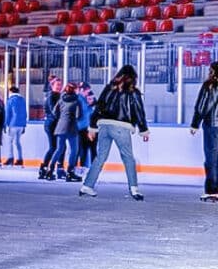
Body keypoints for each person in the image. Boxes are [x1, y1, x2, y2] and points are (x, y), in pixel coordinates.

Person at [79, 65, 150, 200]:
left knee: (100, 157)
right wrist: (144, 131)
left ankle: (87, 186)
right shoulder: (133, 92)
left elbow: (98, 108)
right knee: (128, 158)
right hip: (120, 126)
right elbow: (139, 112)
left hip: (104, 126)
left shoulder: (108, 88)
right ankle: (134, 188)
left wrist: (93, 128)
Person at [189, 61, 218, 201]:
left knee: (212, 158)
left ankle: (213, 190)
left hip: (213, 125)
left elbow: (202, 105)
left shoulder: (210, 85)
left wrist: (195, 123)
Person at [47, 83, 82, 182]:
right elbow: (79, 115)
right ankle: (70, 172)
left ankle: (50, 169)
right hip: (71, 127)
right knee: (74, 150)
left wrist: (62, 118)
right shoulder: (76, 100)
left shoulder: (61, 99)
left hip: (60, 127)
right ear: (74, 90)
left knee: (59, 149)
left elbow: (54, 112)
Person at [37, 76, 62, 179]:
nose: (59, 87)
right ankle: (44, 167)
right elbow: (54, 111)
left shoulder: (59, 95)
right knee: (53, 147)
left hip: (57, 124)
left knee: (58, 147)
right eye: (57, 85)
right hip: (51, 124)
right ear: (52, 86)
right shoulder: (51, 96)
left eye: (60, 85)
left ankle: (54, 168)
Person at [3, 86, 27, 167]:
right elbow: (25, 113)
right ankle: (20, 159)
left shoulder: (10, 100)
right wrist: (24, 125)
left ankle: (10, 158)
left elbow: (7, 114)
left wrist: (5, 124)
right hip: (21, 125)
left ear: (11, 92)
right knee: (17, 142)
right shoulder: (22, 100)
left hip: (13, 124)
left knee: (10, 141)